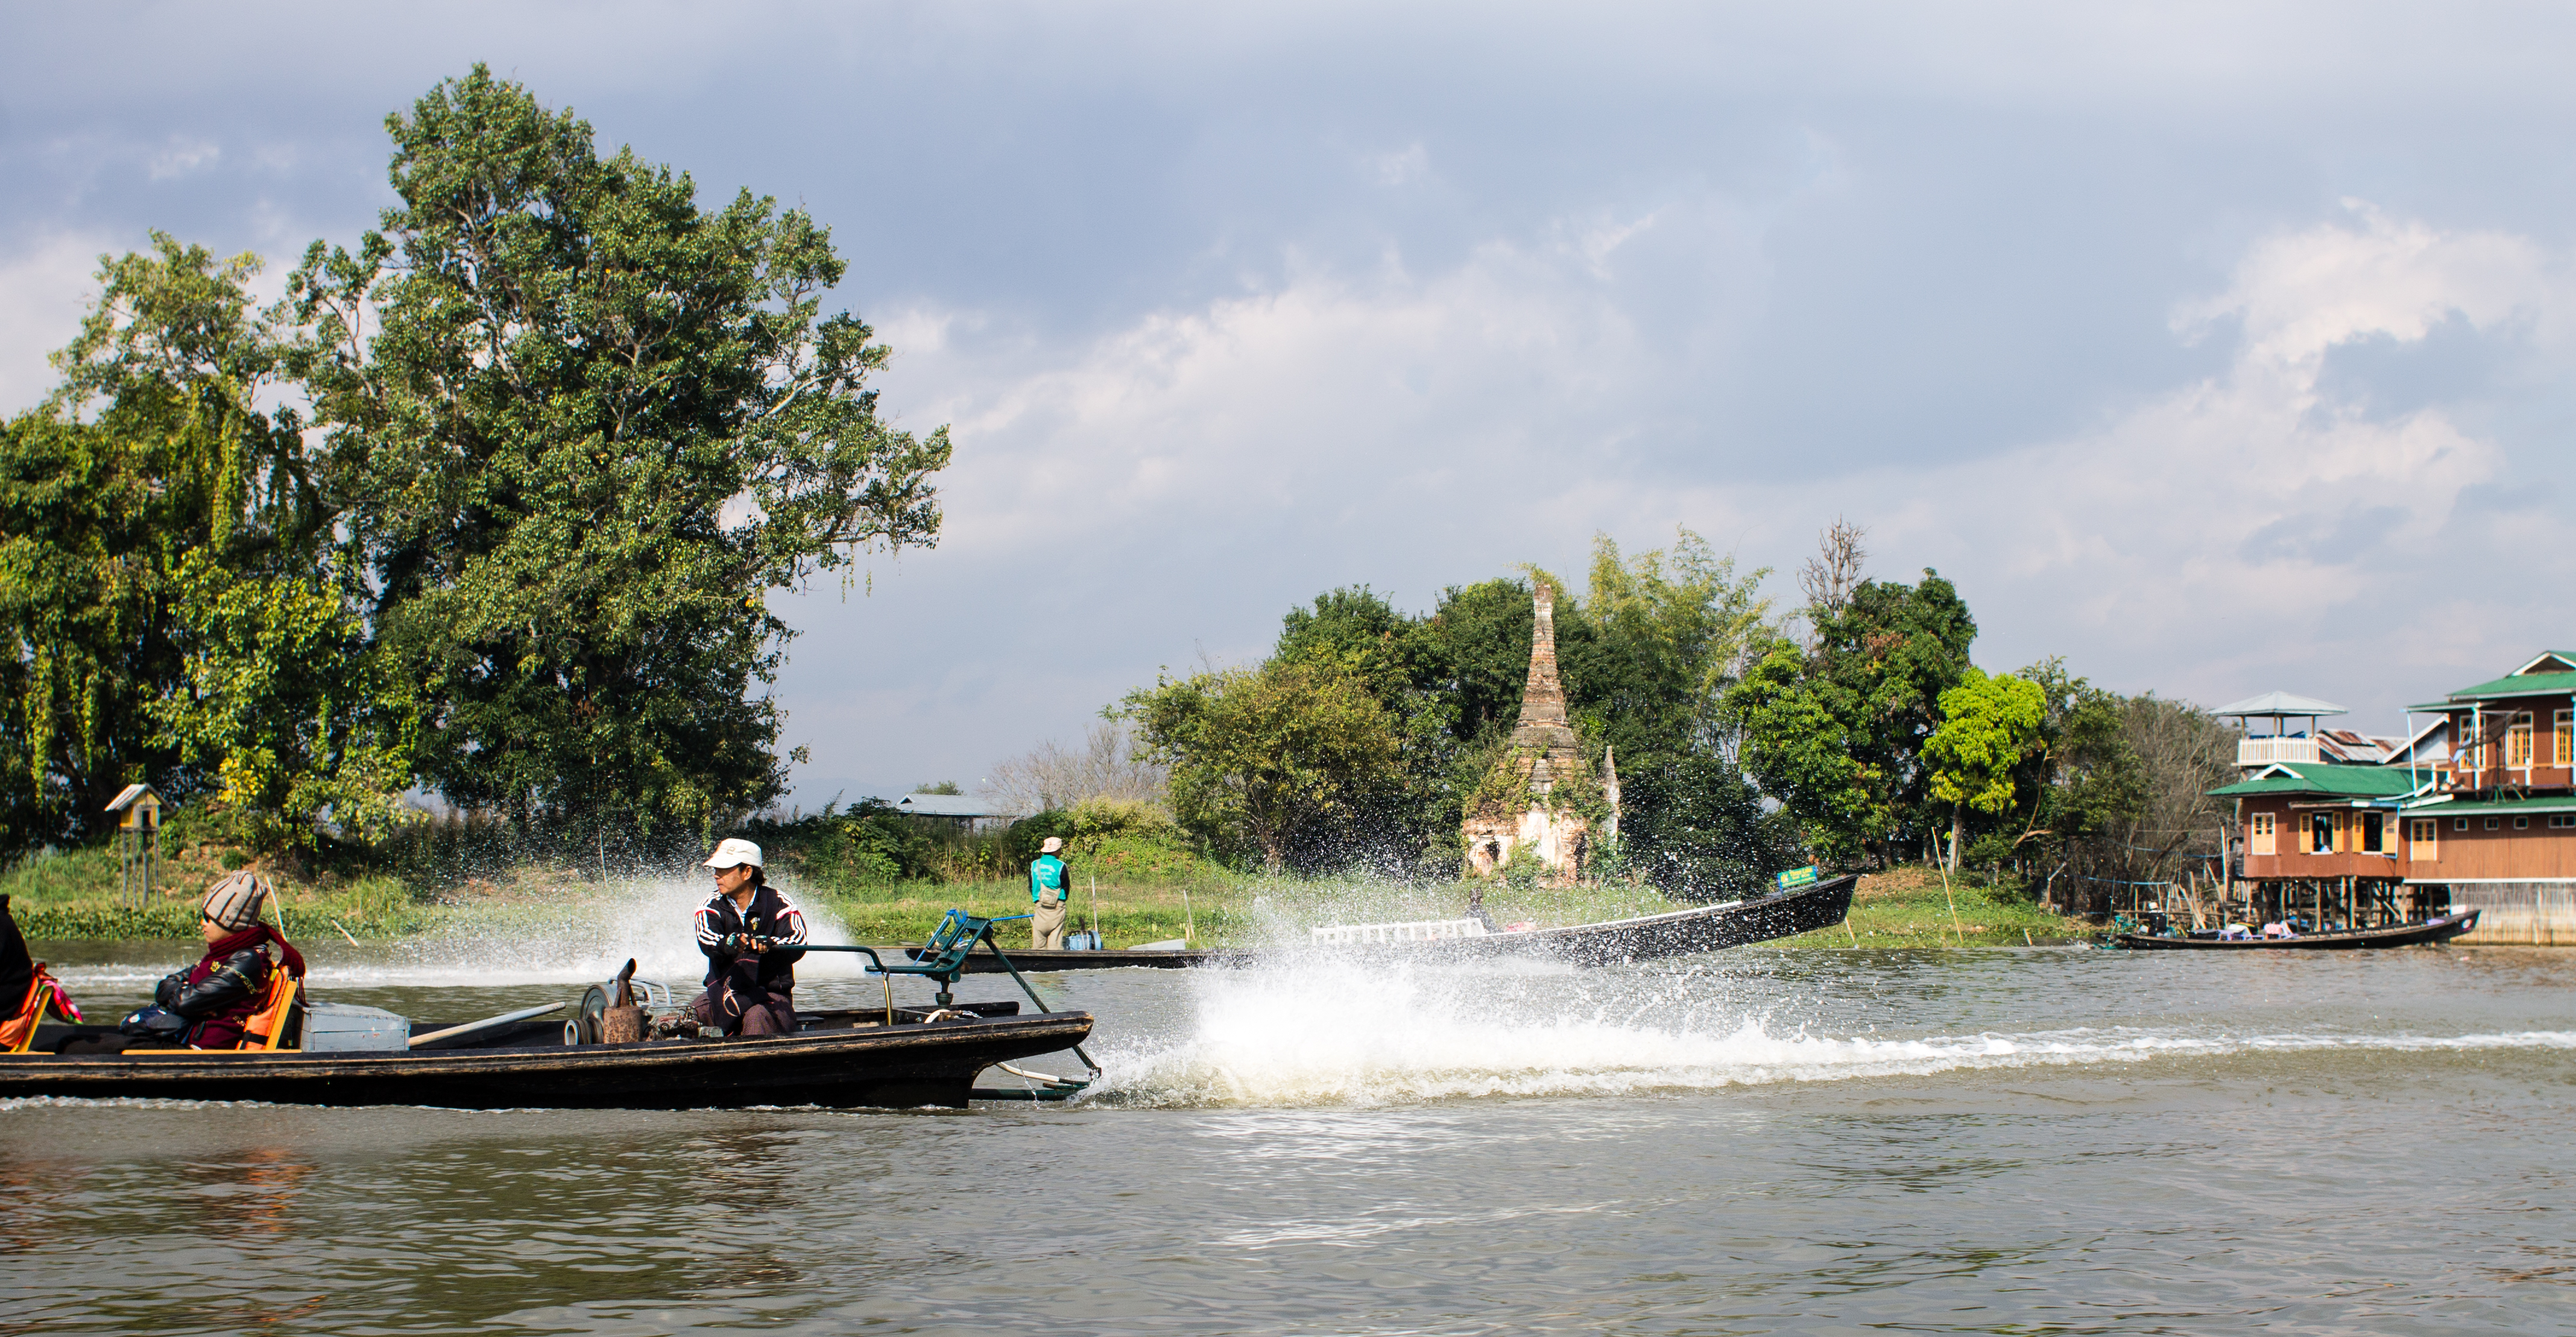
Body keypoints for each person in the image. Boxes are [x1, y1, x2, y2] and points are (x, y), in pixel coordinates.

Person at [119, 871, 306, 1049]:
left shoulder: (247, 961)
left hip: (200, 1050)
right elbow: (163, 987)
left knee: (103, 1046)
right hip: (183, 1036)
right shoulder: (222, 955)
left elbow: (185, 1002)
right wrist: (185, 993)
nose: (203, 924)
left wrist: (184, 992)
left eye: (208, 918)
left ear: (230, 922)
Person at [690, 838, 809, 1037]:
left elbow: (797, 941)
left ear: (747, 872)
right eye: (716, 869)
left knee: (756, 1018)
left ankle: (751, 1068)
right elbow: (707, 939)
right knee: (687, 1019)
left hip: (771, 996)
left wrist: (772, 945)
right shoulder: (710, 905)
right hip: (722, 995)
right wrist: (727, 944)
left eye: (724, 869)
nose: (716, 875)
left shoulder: (780, 902)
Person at [1029, 836, 1072, 949]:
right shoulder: (1061, 866)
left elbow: (1031, 885)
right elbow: (1066, 887)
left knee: (1039, 943)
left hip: (1040, 906)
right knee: (1055, 943)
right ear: (1056, 851)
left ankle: (1036, 964)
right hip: (1057, 907)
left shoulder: (1034, 865)